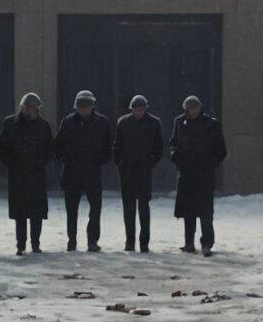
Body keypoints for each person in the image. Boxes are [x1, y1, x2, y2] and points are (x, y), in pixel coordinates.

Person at [54, 89, 112, 250]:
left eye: (87, 106)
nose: (84, 109)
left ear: (92, 106)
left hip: (92, 172)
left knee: (95, 209)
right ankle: (71, 240)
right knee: (71, 210)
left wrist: (98, 161)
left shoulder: (102, 123)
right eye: (81, 106)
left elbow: (108, 147)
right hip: (72, 173)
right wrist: (66, 159)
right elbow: (58, 145)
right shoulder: (68, 122)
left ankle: (92, 240)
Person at [170, 94, 227, 255]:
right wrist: (177, 159)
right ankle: (189, 242)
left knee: (205, 211)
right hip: (186, 173)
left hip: (204, 174)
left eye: (195, 108)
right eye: (190, 108)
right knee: (188, 211)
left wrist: (211, 164)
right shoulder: (180, 122)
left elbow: (221, 150)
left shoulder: (211, 124)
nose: (193, 111)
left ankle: (207, 243)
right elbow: (174, 143)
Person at [0, 92, 54, 253]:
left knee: (36, 212)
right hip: (18, 174)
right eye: (30, 109)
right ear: (23, 108)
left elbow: (50, 148)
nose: (32, 112)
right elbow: (2, 148)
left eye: (35, 109)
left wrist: (41, 162)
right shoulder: (10, 124)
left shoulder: (43, 126)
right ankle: (20, 244)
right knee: (20, 213)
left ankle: (36, 243)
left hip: (36, 174)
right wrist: (11, 164)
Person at [113, 94, 164, 251]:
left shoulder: (154, 123)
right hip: (127, 170)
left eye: (141, 110)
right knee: (128, 208)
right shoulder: (123, 123)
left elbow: (159, 147)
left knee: (143, 207)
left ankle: (144, 242)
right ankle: (130, 240)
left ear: (145, 109)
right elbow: (117, 146)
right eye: (136, 110)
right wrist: (120, 164)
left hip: (143, 170)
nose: (138, 113)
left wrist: (150, 163)